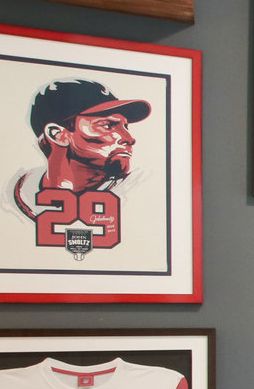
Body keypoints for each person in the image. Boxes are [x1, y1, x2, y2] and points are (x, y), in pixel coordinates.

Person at [9, 78, 150, 257]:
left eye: (125, 126)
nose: (129, 138)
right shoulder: (16, 201)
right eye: (107, 125)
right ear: (58, 135)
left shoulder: (140, 191)